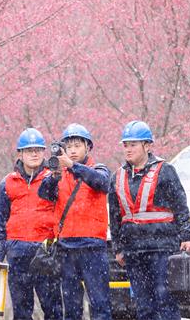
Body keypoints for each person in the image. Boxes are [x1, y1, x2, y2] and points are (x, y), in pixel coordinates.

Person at [108, 120, 190, 320]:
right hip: (134, 251)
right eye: (126, 145)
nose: (128, 150)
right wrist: (118, 248)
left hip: (162, 248)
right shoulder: (117, 177)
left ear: (147, 146)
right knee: (143, 306)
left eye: (133, 145)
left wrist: (186, 236)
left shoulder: (165, 170)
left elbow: (180, 206)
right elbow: (115, 216)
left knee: (166, 300)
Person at [38, 123, 112, 320]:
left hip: (92, 247)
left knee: (100, 304)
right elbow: (43, 194)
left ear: (88, 147)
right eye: (68, 146)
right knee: (71, 308)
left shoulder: (98, 169)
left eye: (77, 145)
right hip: (67, 248)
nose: (72, 150)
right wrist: (54, 176)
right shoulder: (60, 174)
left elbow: (102, 183)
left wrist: (72, 166)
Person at [0, 128, 63, 320]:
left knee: (54, 308)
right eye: (29, 150)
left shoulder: (53, 179)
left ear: (44, 153)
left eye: (38, 150)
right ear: (21, 154)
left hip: (46, 252)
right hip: (17, 252)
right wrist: (0, 252)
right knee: (22, 311)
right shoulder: (7, 183)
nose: (34, 154)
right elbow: (0, 218)